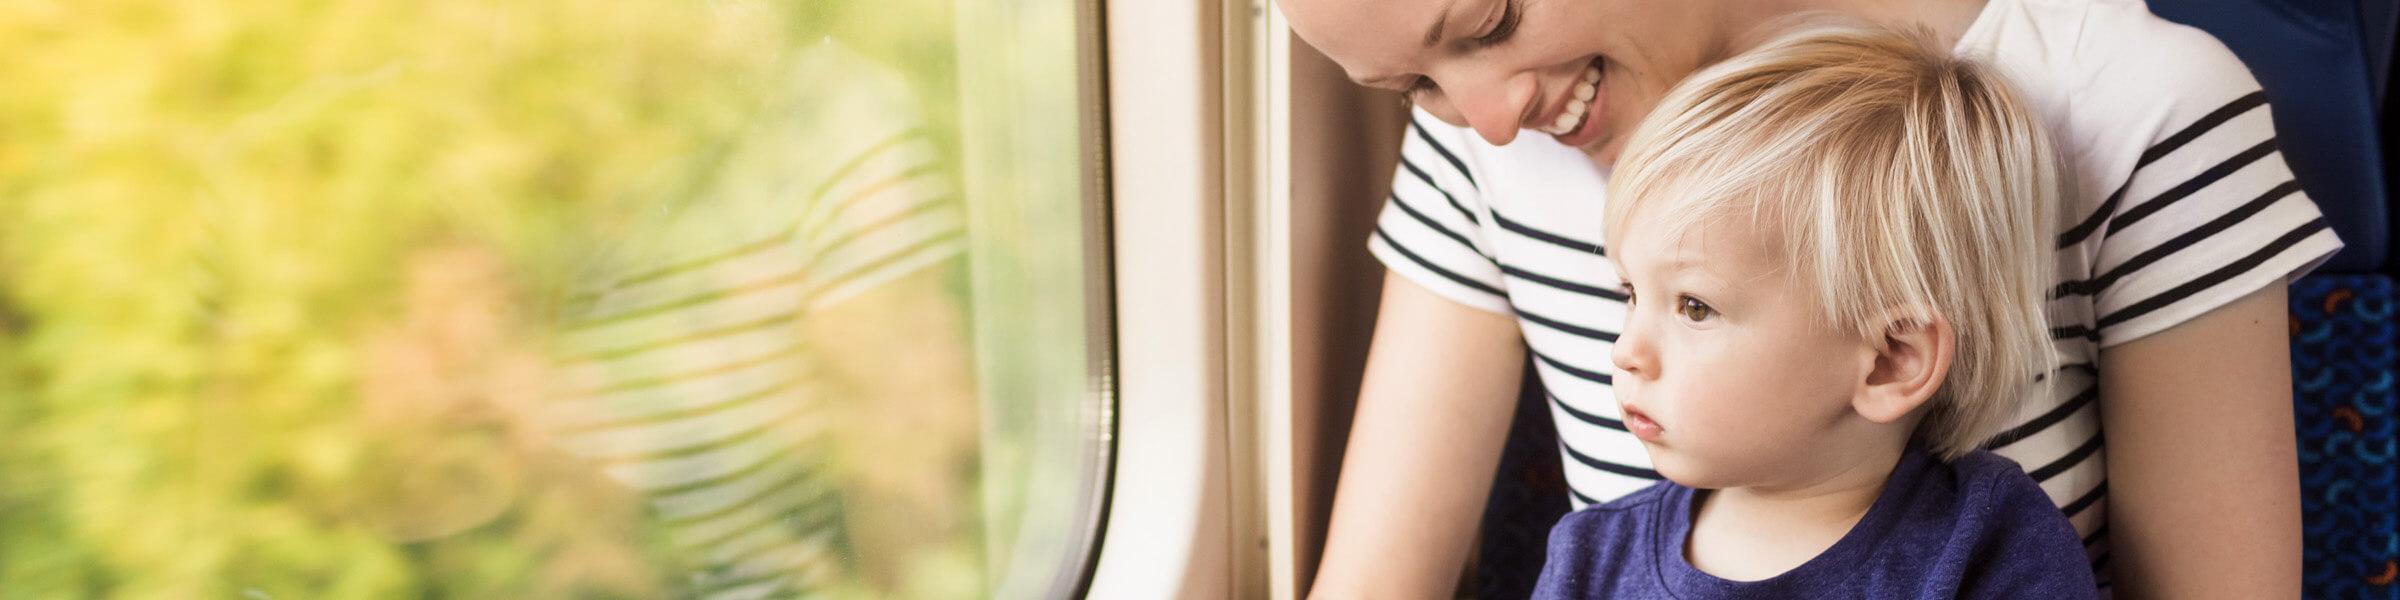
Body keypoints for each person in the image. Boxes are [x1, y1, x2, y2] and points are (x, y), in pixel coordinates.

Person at [1275, 0, 2342, 596]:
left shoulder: (2130, 107)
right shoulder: (1480, 149)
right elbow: (1379, 585)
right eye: (1414, 86)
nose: (1491, 118)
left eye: (1495, 20)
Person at [1529, 21, 2091, 598]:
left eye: (1694, 307)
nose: (1626, 352)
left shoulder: (1989, 549)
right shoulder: (1591, 557)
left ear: (1891, 361)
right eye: (1631, 294)